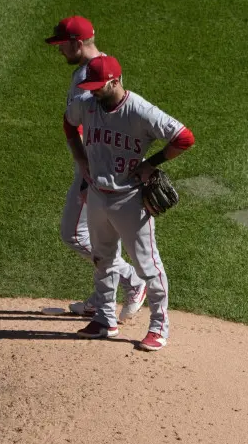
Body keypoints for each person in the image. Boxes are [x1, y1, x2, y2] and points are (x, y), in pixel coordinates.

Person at [64, 55, 194, 351]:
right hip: (97, 195)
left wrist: (152, 162)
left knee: (148, 265)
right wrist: (80, 158)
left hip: (130, 200)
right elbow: (69, 124)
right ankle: (104, 319)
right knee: (102, 259)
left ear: (116, 81)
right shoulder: (87, 104)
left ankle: (159, 327)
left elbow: (184, 138)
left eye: (99, 87)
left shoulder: (140, 111)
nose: (94, 92)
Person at [46, 16, 146, 321]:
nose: (59, 50)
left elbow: (101, 122)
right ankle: (101, 297)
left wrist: (87, 168)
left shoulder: (97, 76)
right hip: (95, 164)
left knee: (74, 234)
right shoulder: (93, 70)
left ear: (76, 43)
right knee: (97, 233)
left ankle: (132, 279)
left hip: (99, 168)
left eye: (62, 45)